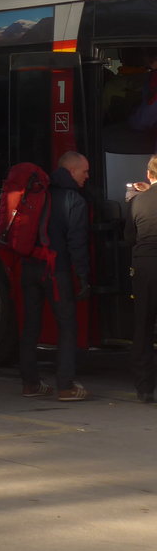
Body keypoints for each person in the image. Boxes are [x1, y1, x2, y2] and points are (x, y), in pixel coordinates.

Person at [19, 150, 92, 401]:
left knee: (31, 325)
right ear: (71, 171)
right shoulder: (74, 200)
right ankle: (65, 386)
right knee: (68, 326)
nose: (87, 176)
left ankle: (30, 384)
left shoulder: (38, 193)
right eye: (84, 171)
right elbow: (77, 244)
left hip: (29, 266)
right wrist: (83, 277)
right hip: (54, 270)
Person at [124, 155, 157, 403]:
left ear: (148, 175)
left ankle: (144, 388)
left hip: (143, 266)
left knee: (143, 326)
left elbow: (129, 237)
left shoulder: (136, 202)